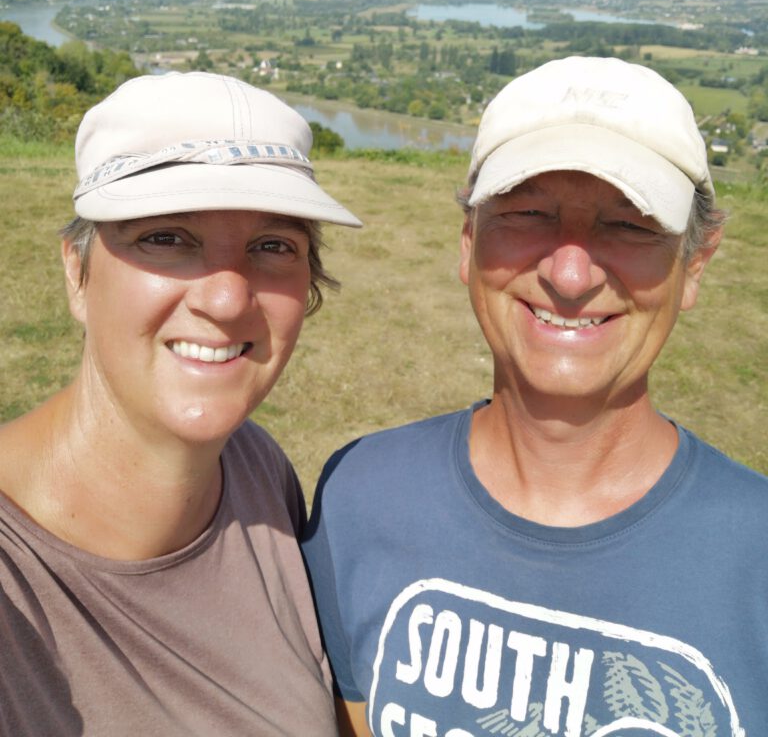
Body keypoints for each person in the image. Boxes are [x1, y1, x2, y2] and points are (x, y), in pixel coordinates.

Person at [303, 55, 768, 737]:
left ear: (694, 264)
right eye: (528, 214)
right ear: (468, 243)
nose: (571, 275)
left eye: (629, 224)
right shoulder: (359, 498)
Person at [0, 70, 361, 736]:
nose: (226, 299)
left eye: (272, 246)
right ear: (77, 272)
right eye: (166, 237)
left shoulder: (255, 470)